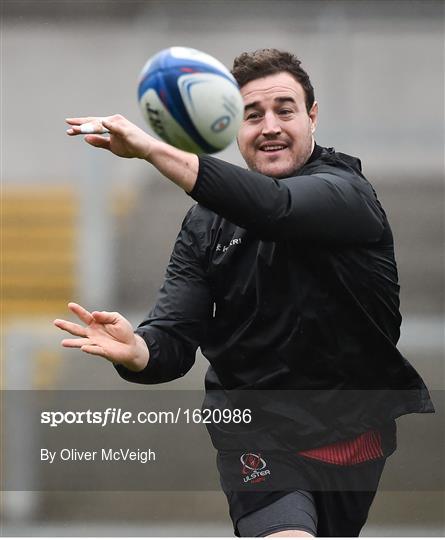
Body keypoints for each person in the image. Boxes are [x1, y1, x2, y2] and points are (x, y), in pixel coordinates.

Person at [54, 49, 434, 537]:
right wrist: (139, 351)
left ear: (312, 117)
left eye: (285, 109)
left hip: (352, 433)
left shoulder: (348, 195)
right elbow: (174, 336)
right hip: (255, 434)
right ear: (233, 126)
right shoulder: (205, 223)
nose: (269, 126)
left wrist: (153, 149)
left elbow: (275, 209)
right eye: (252, 115)